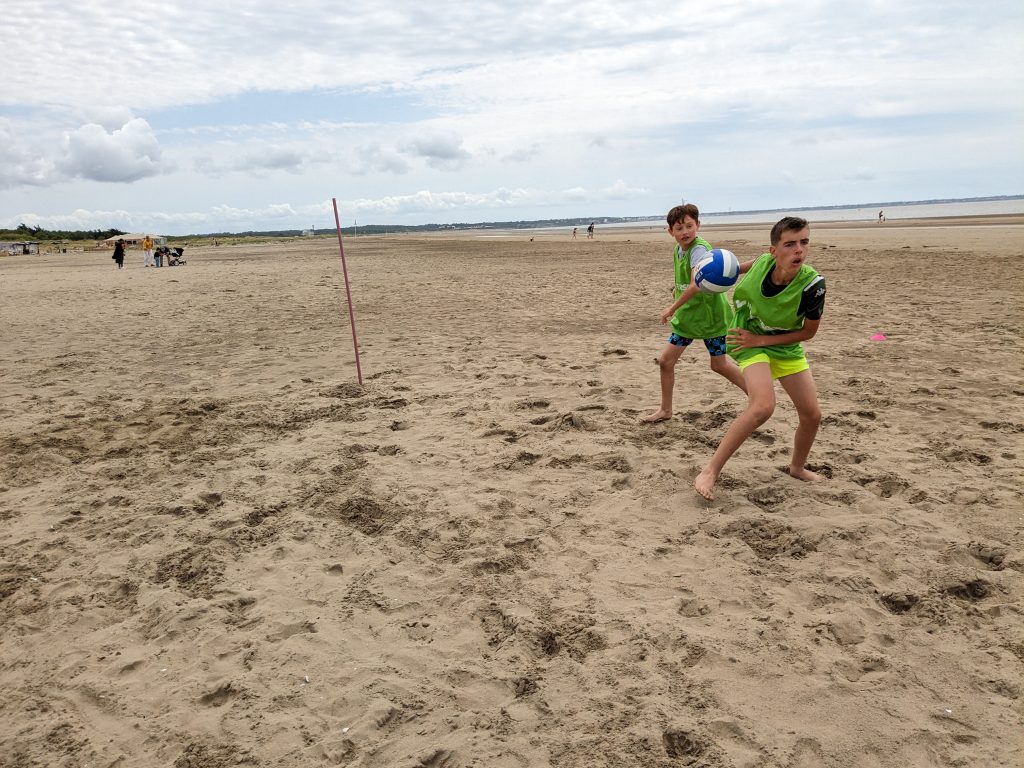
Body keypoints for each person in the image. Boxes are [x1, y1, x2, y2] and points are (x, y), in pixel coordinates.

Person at [694, 216, 826, 500]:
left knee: (812, 415)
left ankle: (797, 468)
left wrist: (764, 340)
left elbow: (808, 333)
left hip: (785, 344)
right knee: (763, 407)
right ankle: (710, 470)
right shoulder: (761, 263)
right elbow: (727, 272)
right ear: (773, 251)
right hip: (746, 339)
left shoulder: (812, 285)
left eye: (804, 242)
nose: (799, 250)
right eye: (789, 244)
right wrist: (708, 275)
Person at [642, 204, 746, 423]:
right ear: (670, 231)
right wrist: (675, 290)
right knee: (665, 361)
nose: (685, 232)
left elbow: (696, 285)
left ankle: (758, 396)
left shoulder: (698, 249)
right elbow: (685, 283)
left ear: (698, 225)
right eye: (679, 228)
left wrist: (671, 308)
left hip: (710, 318)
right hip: (689, 318)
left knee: (719, 364)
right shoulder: (679, 249)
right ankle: (665, 410)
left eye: (689, 226)